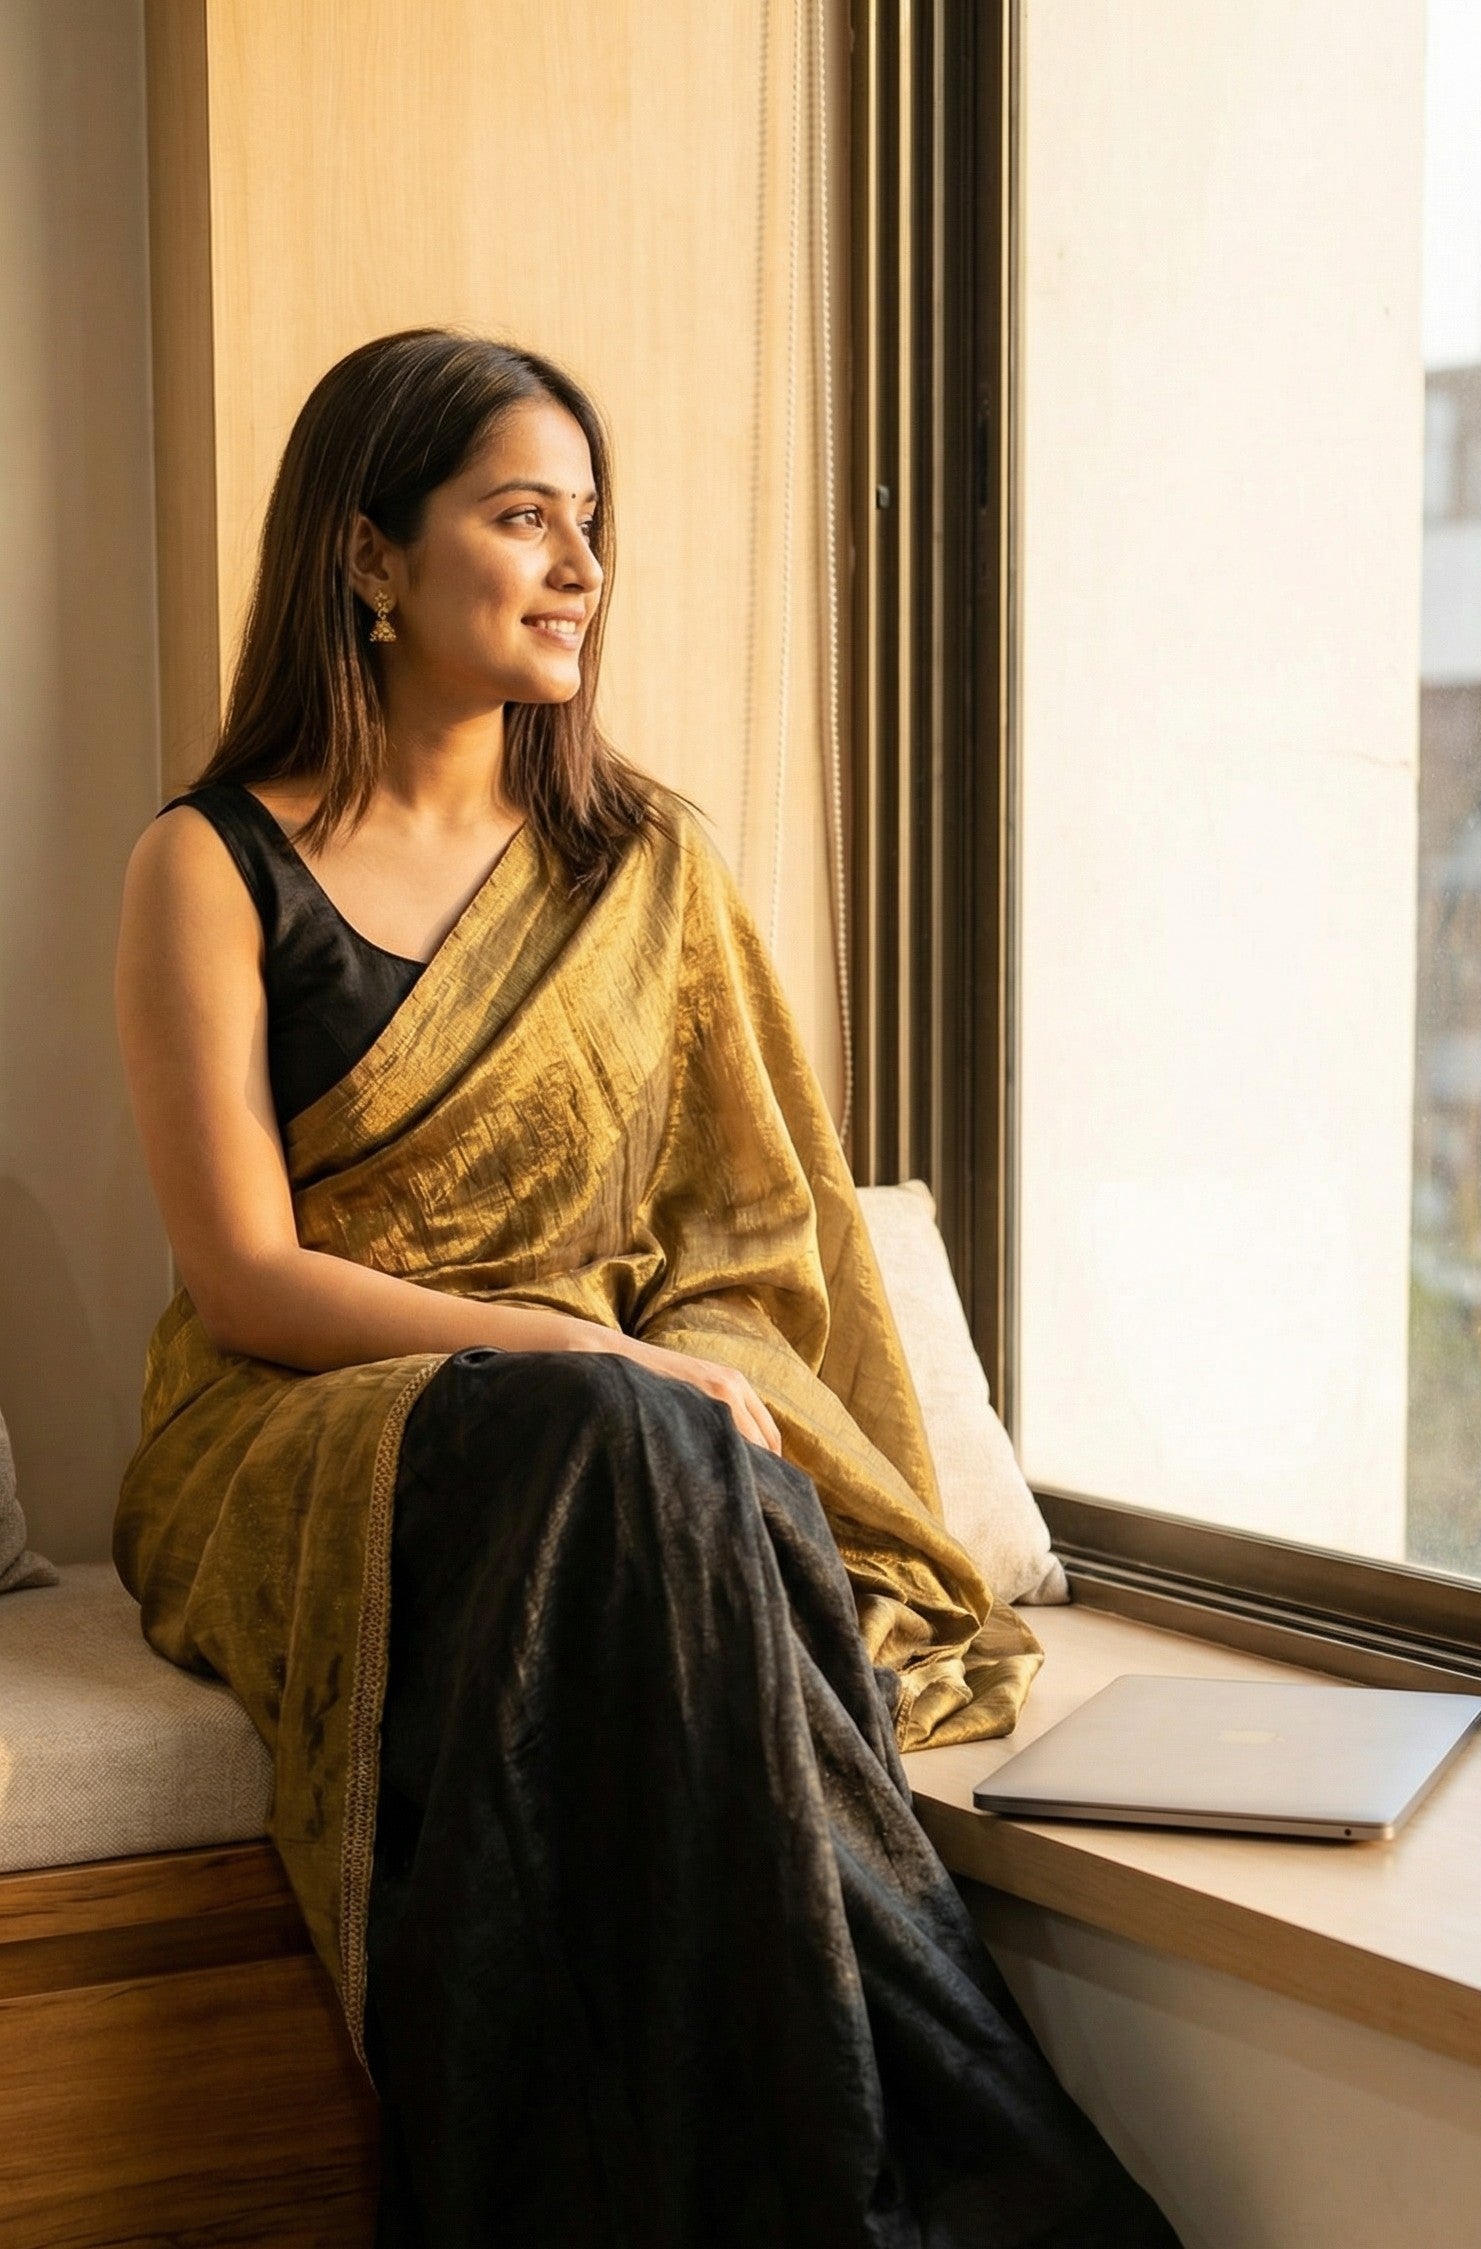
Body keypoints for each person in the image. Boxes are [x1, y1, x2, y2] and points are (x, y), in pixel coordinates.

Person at [113, 329, 1181, 2248]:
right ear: (371, 558)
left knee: (657, 1468)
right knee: (627, 1440)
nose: (586, 568)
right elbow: (250, 1277)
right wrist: (567, 1347)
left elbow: (755, 1236)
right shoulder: (209, 863)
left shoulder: (642, 863)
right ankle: (1003, 2203)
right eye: (525, 518)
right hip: (296, 1430)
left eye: (592, 522)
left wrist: (644, 1370)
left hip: (609, 1456)